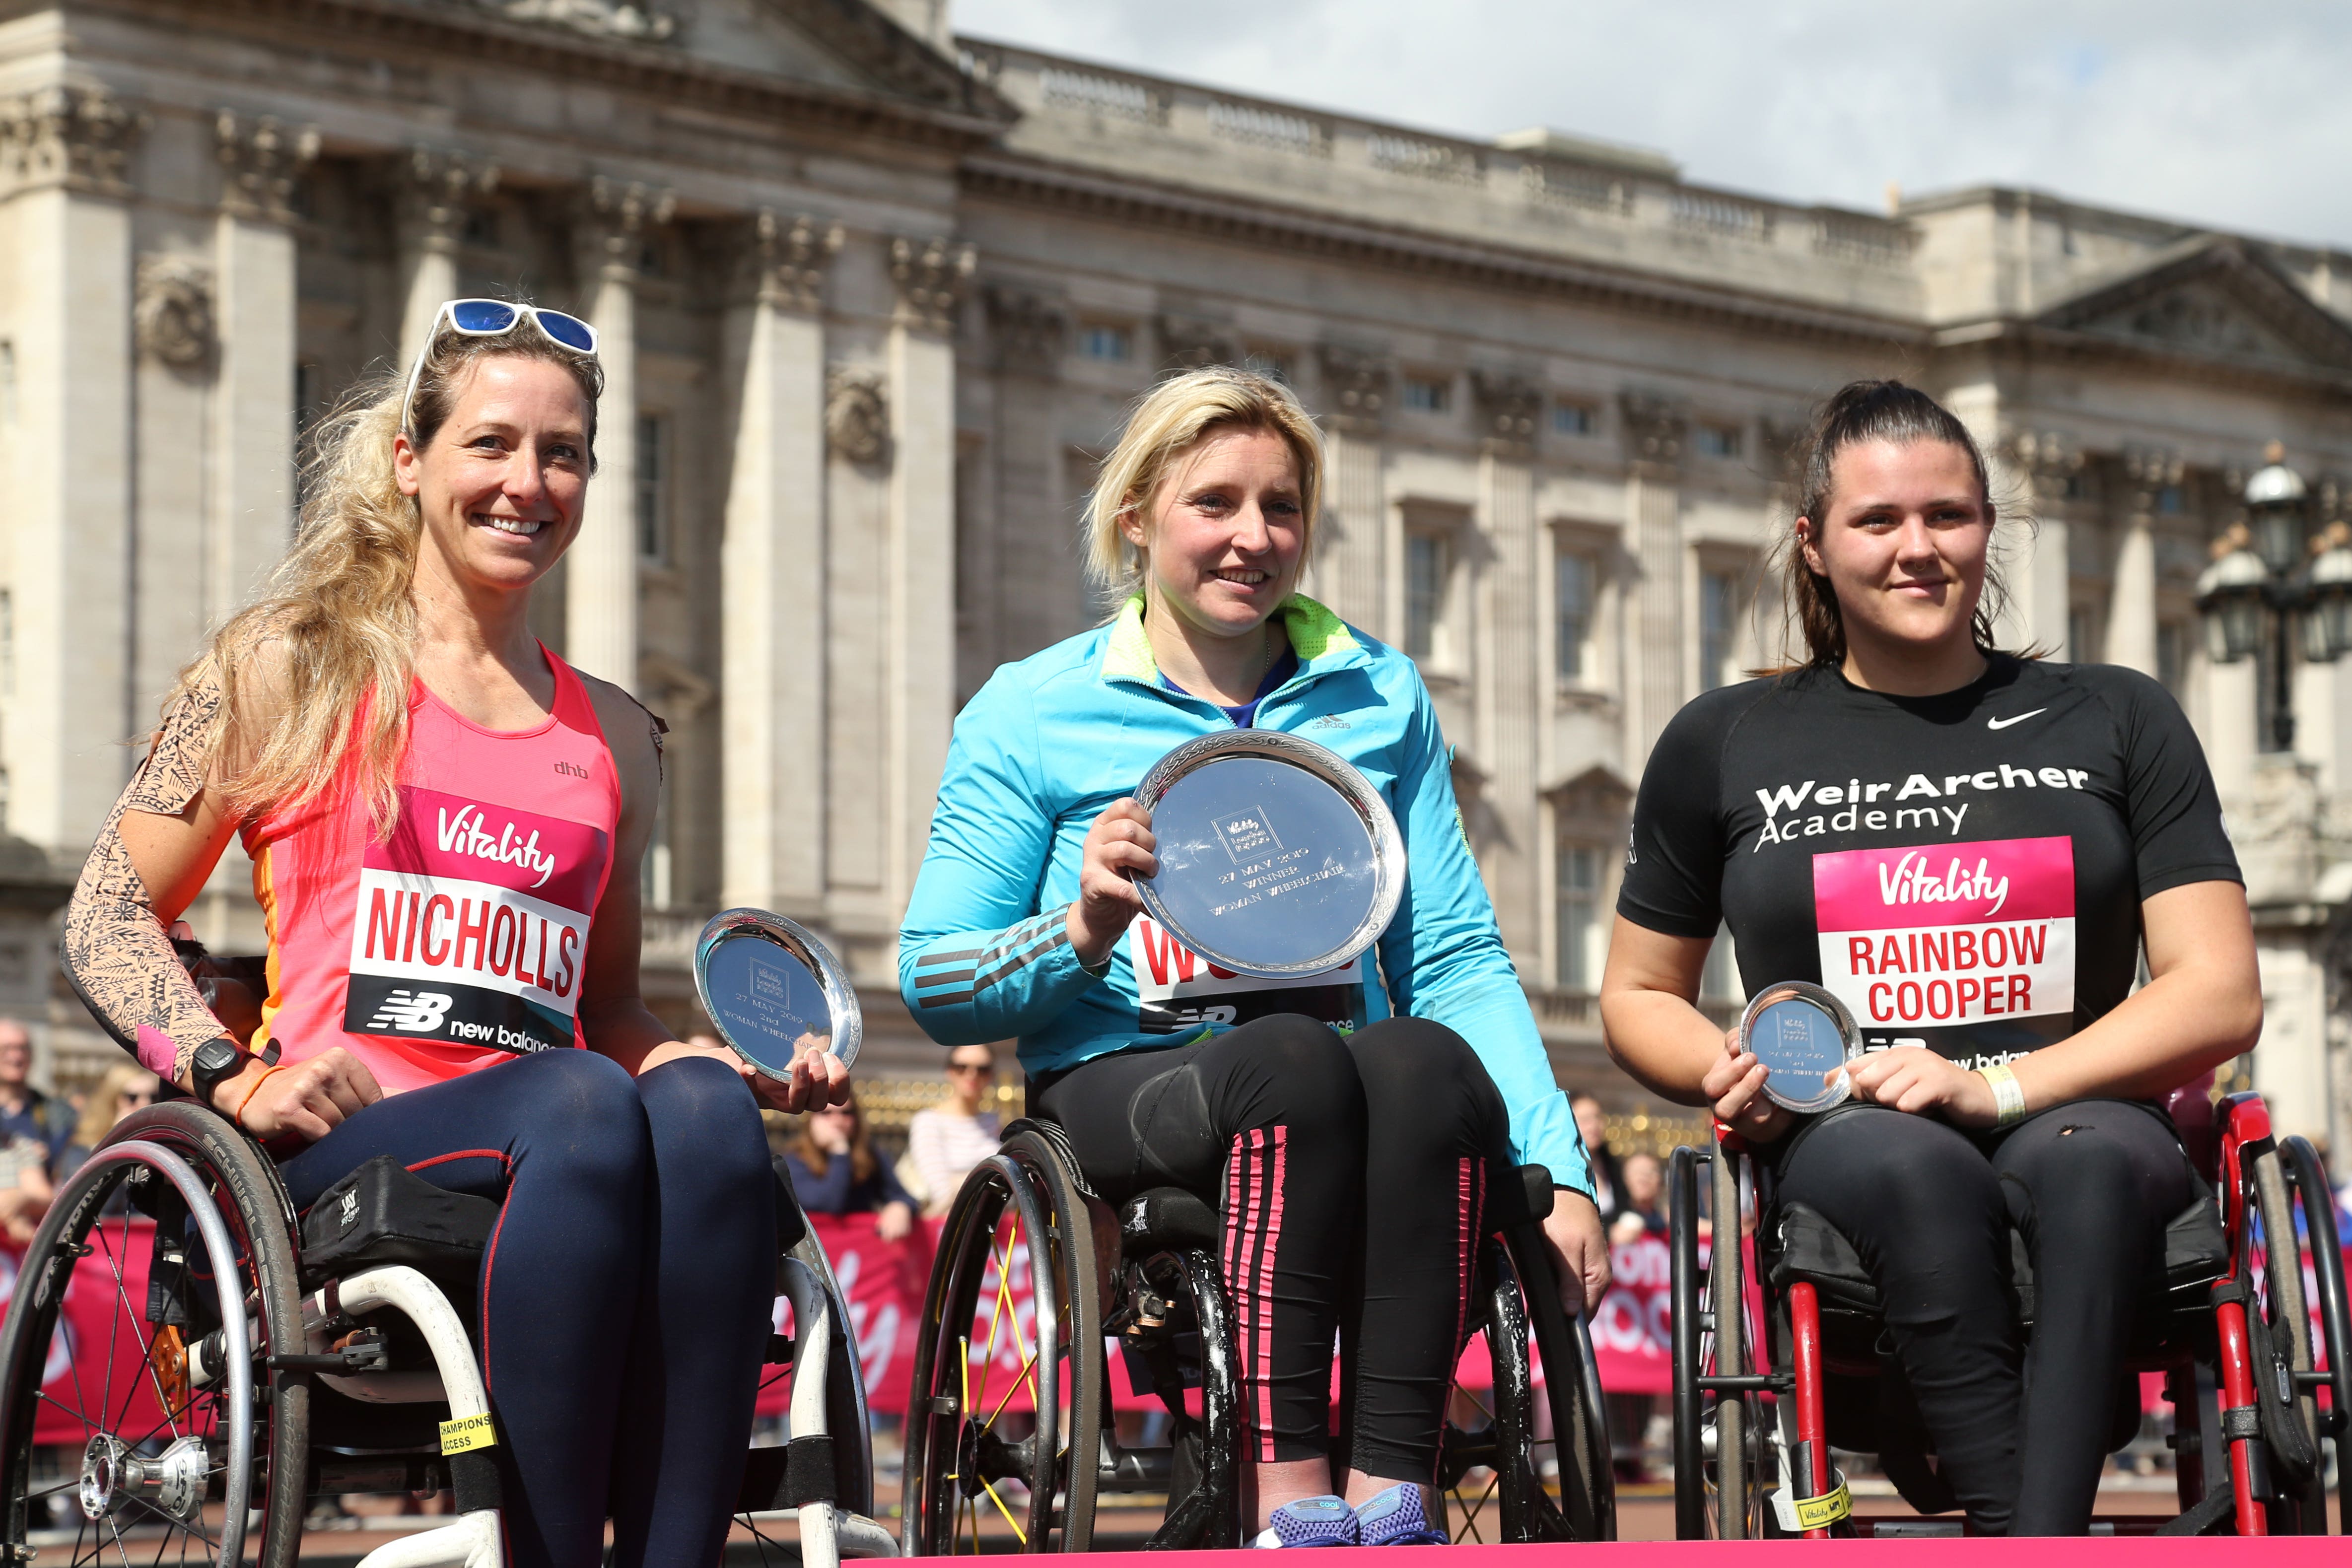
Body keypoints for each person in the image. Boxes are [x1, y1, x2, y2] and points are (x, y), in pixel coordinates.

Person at [60, 297, 846, 1568]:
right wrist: (229, 1075)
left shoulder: (621, 740)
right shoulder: (282, 667)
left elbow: (607, 1011)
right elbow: (101, 912)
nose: (527, 483)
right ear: (409, 460)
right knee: (586, 1105)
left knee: (692, 1108)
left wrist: (715, 1062)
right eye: (491, 445)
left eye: (563, 453)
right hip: (357, 1151)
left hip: (573, 1117)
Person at [898, 366, 1608, 1549]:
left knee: (1425, 1065)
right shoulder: (1031, 711)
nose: (1251, 537)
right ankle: (1293, 1506)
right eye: (1213, 503)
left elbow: (1453, 949)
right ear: (1136, 519)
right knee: (1291, 1064)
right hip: (1130, 1075)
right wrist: (1079, 928)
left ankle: (1392, 1497)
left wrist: (1560, 1167)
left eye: (1279, 508)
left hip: (1347, 1070)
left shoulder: (1375, 694)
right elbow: (935, 978)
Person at [1598, 380, 2258, 1536]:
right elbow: (1638, 991)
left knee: (2085, 1163)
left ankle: (2023, 1543)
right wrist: (1730, 1076)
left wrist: (1996, 1085)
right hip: (1849, 1129)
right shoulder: (1723, 740)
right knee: (1917, 1168)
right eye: (1876, 521)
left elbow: (2217, 987)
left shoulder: (2115, 714)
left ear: (1986, 527)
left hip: (2082, 1103)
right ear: (1812, 545)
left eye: (1946, 516)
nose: (1916, 547)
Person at [784, 1088, 917, 1242]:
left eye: (846, 1113)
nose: (837, 1121)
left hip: (858, 1256)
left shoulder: (869, 1155)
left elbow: (903, 1197)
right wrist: (839, 1152)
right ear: (811, 1119)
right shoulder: (794, 1160)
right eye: (826, 1113)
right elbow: (828, 1205)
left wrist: (900, 1206)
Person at [905, 1043, 1001, 1217]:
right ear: (949, 1071)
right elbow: (941, 1192)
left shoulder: (994, 1122)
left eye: (982, 1069)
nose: (972, 1075)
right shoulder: (928, 1121)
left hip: (992, 1221)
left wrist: (960, 1181)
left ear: (991, 1076)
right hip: (947, 1223)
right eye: (962, 1068)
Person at [52, 1061, 160, 1186]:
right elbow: (99, 1202)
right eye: (132, 1098)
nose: (145, 1104)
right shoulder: (83, 1150)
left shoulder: (163, 1148)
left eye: (153, 1097)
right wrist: (119, 1143)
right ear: (111, 1101)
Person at [1572, 1092, 1622, 1219]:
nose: (1594, 1126)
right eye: (1585, 1120)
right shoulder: (1566, 1167)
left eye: (1598, 1118)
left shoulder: (1613, 1166)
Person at [1605, 1153, 1666, 1245]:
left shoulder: (1670, 1224)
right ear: (1624, 1180)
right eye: (1637, 1172)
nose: (1643, 1179)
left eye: (1651, 1172)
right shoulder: (1609, 1224)